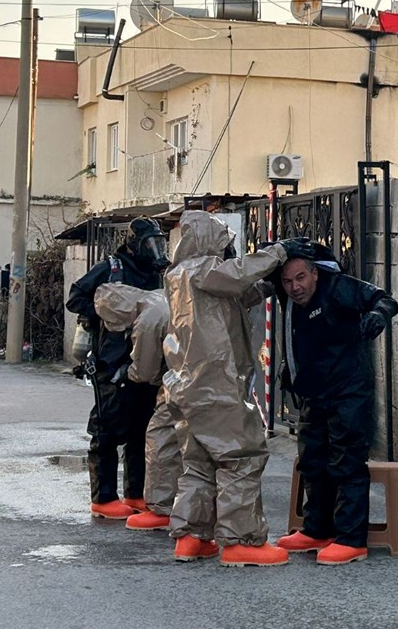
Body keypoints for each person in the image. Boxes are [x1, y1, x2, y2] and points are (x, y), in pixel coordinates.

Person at [162, 210, 293, 566]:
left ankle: (191, 538)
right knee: (242, 457)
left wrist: (264, 286)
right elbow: (234, 277)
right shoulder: (203, 269)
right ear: (210, 242)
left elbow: (230, 297)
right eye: (225, 243)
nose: (229, 250)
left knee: (199, 463)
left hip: (187, 386)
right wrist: (277, 253)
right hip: (215, 385)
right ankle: (242, 542)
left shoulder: (178, 275)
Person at [271, 238, 398, 565]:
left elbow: (384, 299)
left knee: (346, 461)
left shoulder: (338, 287)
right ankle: (317, 529)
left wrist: (377, 317)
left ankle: (351, 539)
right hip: (314, 391)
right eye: (287, 281)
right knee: (313, 460)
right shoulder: (286, 298)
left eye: (300, 278)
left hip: (348, 389)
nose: (294, 287)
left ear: (314, 274)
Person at [66, 217, 169, 520]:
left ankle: (136, 494)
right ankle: (104, 497)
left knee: (142, 429)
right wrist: (105, 315)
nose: (155, 249)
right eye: (149, 243)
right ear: (133, 243)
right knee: (107, 429)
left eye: (158, 242)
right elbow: (76, 297)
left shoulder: (157, 273)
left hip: (145, 361)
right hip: (111, 362)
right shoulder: (112, 268)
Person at [92, 283, 183, 533]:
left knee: (159, 437)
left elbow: (145, 370)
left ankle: (161, 509)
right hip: (208, 372)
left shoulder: (146, 320)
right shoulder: (157, 296)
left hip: (181, 379)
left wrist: (126, 372)